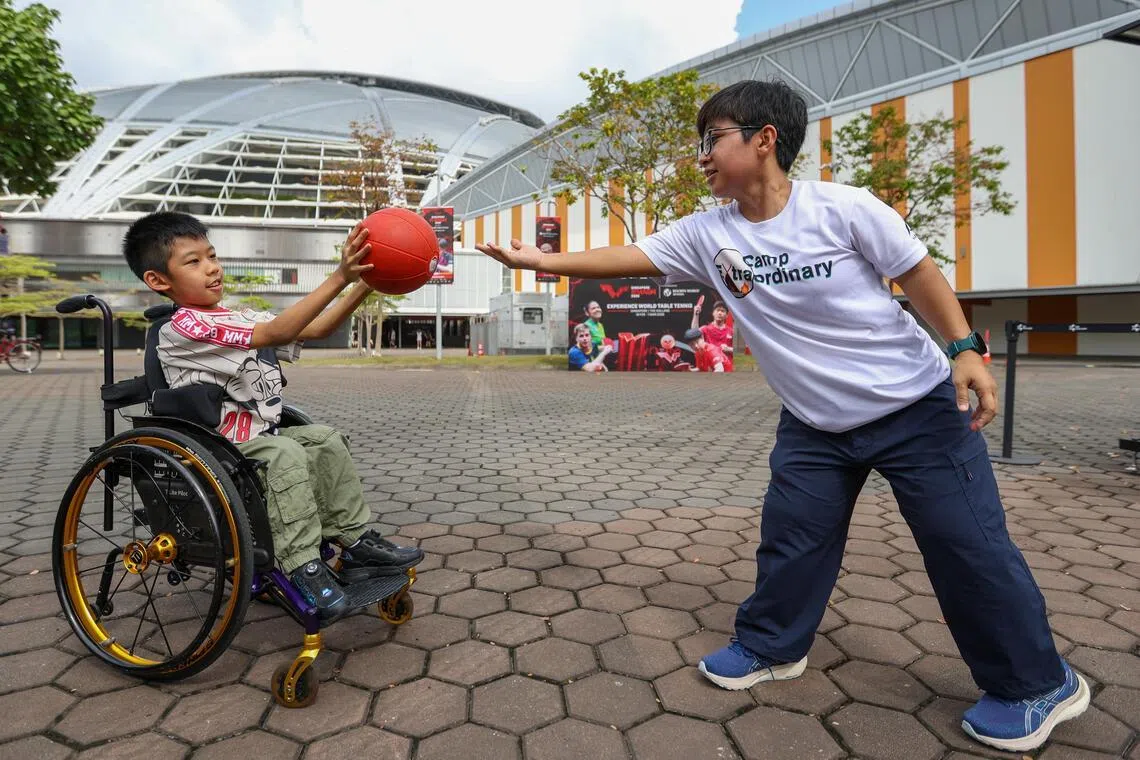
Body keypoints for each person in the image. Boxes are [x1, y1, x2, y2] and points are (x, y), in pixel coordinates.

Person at [477, 79, 1088, 753]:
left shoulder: (844, 209)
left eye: (714, 139)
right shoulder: (708, 234)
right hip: (815, 424)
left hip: (915, 408)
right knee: (793, 539)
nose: (701, 156)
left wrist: (965, 349)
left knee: (964, 546)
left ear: (765, 139)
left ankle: (1038, 684)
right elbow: (631, 256)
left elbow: (920, 275)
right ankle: (773, 646)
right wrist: (542, 261)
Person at [122, 211, 423, 623]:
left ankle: (356, 545)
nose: (212, 268)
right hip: (220, 445)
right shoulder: (183, 325)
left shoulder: (235, 316)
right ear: (159, 281)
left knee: (323, 439)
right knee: (282, 453)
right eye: (193, 262)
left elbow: (313, 329)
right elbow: (277, 332)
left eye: (212, 256)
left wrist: (369, 281)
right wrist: (339, 276)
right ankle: (302, 566)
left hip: (259, 438)